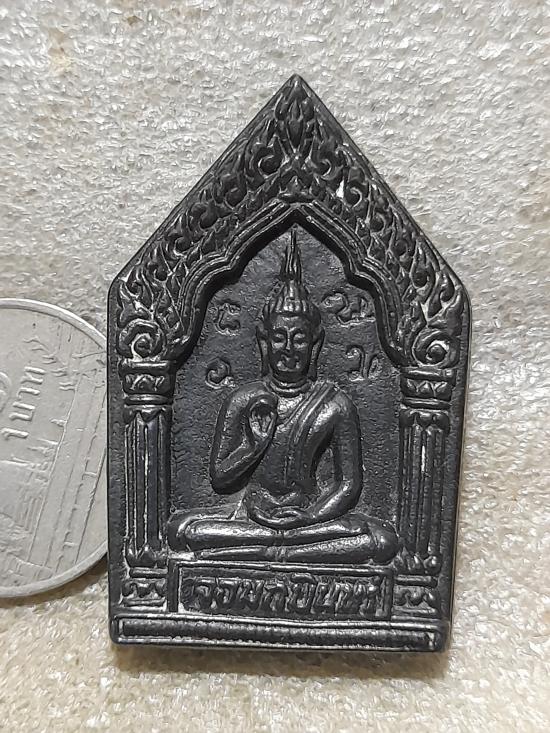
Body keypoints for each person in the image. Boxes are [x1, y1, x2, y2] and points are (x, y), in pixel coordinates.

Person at [168, 229, 397, 564]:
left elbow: (348, 486)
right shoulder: (244, 399)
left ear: (315, 344)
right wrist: (252, 447)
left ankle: (268, 550)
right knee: (183, 531)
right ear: (264, 341)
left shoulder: (335, 404)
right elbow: (220, 478)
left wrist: (310, 516)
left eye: (299, 338)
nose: (288, 348)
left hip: (309, 518)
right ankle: (283, 549)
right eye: (279, 337)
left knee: (381, 539)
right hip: (251, 517)